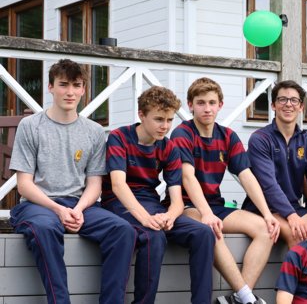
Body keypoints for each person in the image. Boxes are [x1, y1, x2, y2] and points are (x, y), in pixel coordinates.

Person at [9, 59, 136, 304]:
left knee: (123, 231)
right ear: (50, 87)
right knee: (44, 228)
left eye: (76, 85)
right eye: (63, 84)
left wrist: (77, 210)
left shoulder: (95, 132)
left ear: (83, 89)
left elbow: (94, 184)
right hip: (39, 205)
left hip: (81, 205)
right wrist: (58, 209)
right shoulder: (31, 126)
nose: (70, 92)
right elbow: (24, 184)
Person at [170, 77, 279, 304]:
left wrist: (267, 214)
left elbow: (247, 177)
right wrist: (206, 213)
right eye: (201, 103)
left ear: (220, 104)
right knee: (211, 230)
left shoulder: (228, 136)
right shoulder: (182, 133)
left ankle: (239, 298)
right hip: (188, 205)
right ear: (190, 105)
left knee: (266, 229)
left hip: (216, 205)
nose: (207, 108)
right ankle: (249, 299)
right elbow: (187, 178)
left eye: (212, 102)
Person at [102, 86, 215, 304]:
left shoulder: (169, 147)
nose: (165, 126)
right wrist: (146, 219)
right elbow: (117, 185)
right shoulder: (119, 138)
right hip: (119, 203)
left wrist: (170, 217)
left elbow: (177, 199)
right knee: (153, 235)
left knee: (203, 233)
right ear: (141, 115)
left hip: (153, 206)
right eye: (158, 119)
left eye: (169, 120)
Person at [244, 80, 307, 248]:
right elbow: (268, 185)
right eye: (282, 100)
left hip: (294, 207)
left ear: (301, 107)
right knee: (295, 233)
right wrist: (290, 215)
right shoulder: (260, 139)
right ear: (273, 105)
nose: (288, 104)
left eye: (294, 100)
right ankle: (297, 275)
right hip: (264, 209)